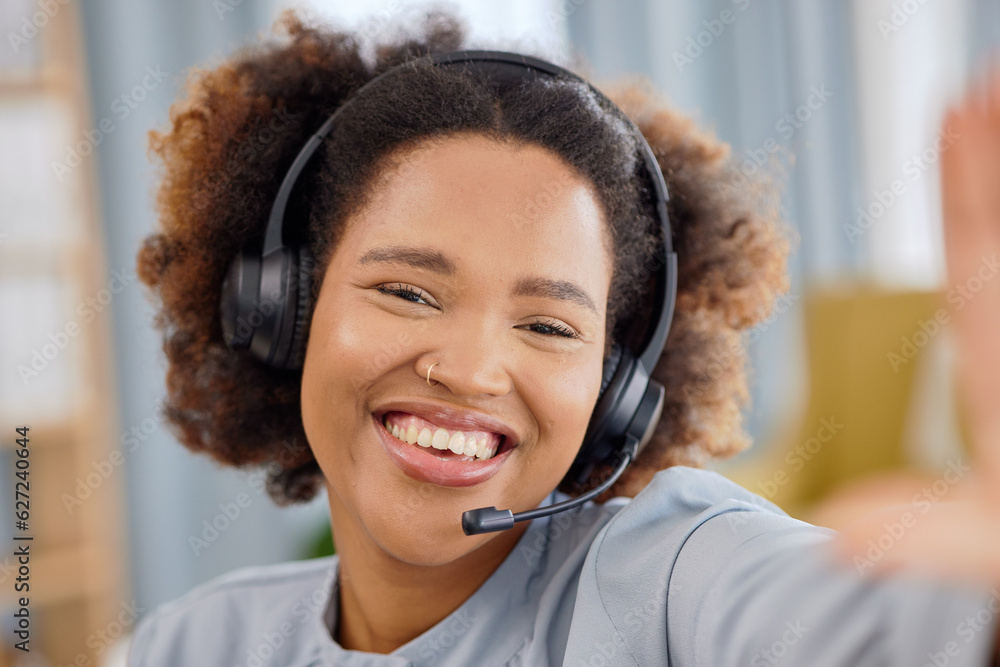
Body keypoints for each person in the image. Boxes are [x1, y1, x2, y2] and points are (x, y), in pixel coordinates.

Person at [127, 7, 1000, 666]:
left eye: (548, 324)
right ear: (283, 308)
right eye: (406, 290)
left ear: (616, 393)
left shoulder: (667, 579)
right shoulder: (194, 643)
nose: (468, 369)